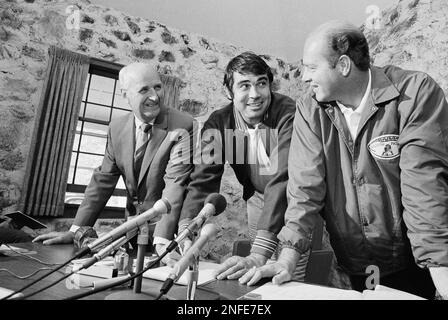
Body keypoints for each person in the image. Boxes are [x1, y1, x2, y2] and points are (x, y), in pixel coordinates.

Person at [239, 21, 448, 300]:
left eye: (312, 68)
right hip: (354, 263)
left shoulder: (415, 93)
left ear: (344, 65)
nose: (303, 77)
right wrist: (287, 257)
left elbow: (423, 188)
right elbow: (304, 188)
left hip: (411, 262)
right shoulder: (310, 110)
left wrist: (440, 268)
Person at [33, 63, 195, 265]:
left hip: (168, 234)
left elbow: (175, 182)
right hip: (132, 232)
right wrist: (76, 230)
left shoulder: (183, 124)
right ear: (125, 94)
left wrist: (162, 242)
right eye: (144, 89)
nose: (154, 96)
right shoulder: (116, 127)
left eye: (158, 87)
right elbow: (103, 181)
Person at [178, 52, 309, 282]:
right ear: (229, 92)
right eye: (244, 86)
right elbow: (203, 179)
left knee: (288, 274)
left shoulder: (289, 111)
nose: (255, 94)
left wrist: (261, 250)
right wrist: (188, 226)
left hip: (293, 200)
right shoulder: (217, 123)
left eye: (261, 83)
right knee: (257, 271)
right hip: (257, 200)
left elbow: (283, 176)